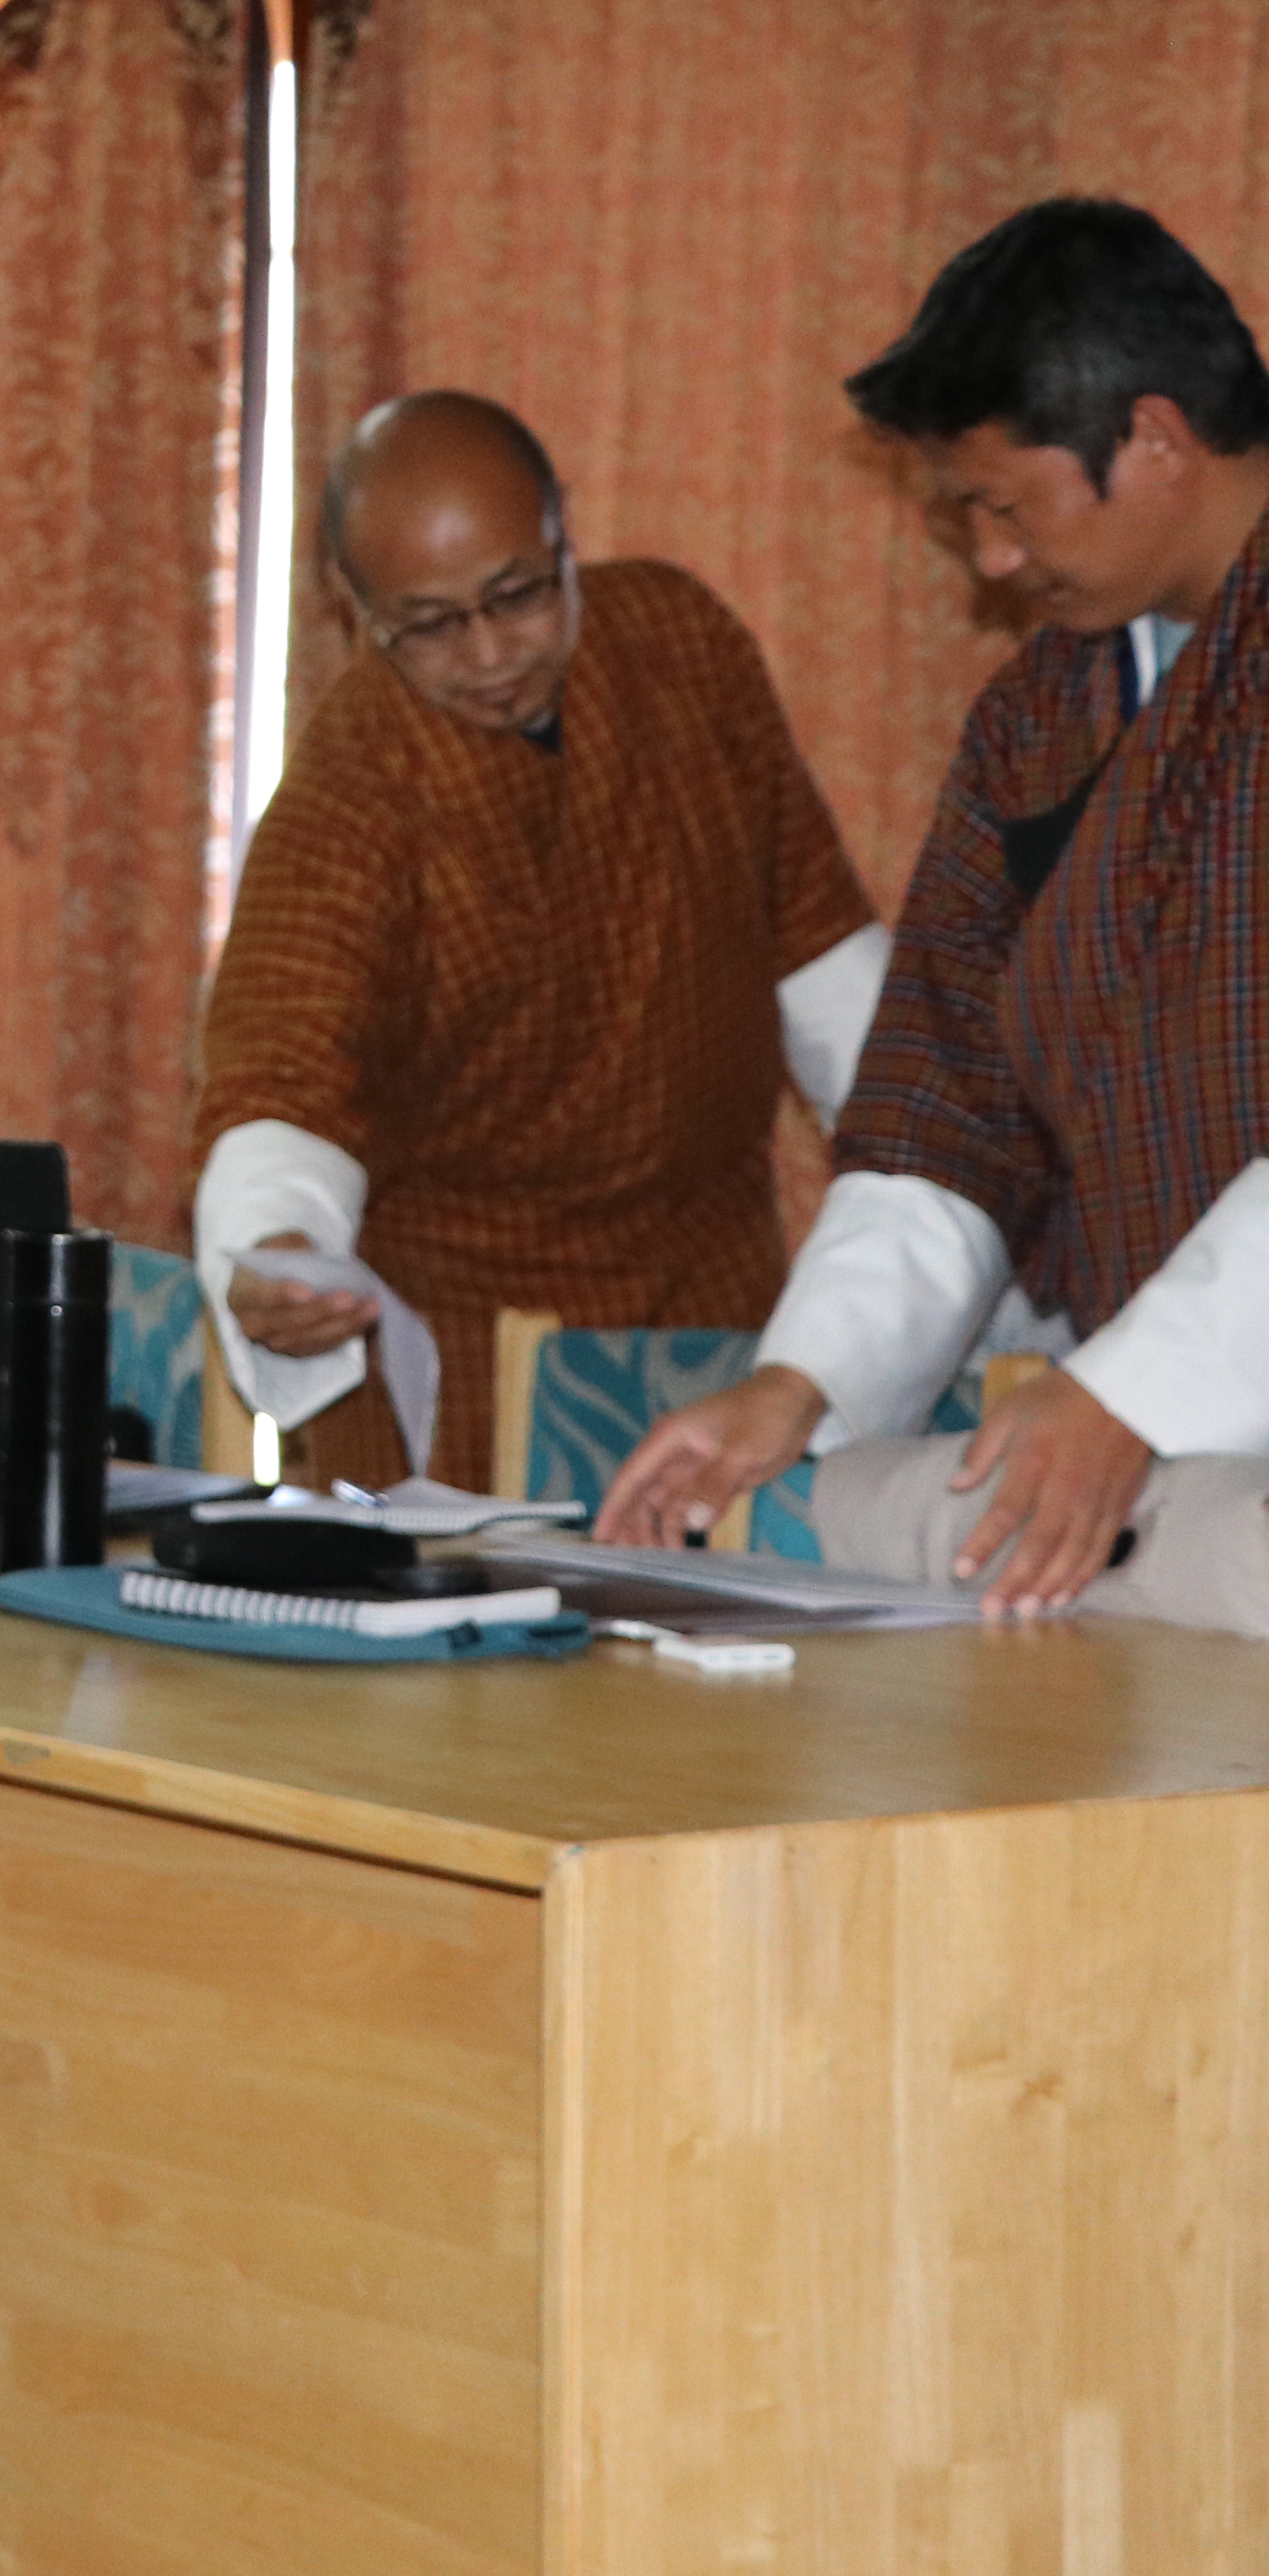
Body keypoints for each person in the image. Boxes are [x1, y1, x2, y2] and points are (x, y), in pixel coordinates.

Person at [603, 200, 1269, 1618]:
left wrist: (1139, 1389)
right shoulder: (1038, 721)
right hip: (1181, 1478)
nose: (993, 561)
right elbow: (947, 1101)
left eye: (1005, 507)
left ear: (1157, 438)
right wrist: (799, 1385)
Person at [192, 391, 886, 1491]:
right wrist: (279, 1251)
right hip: (464, 1354)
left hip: (713, 1310)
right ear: (352, 606)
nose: (488, 655)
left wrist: (938, 1183)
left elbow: (820, 950)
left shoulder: (682, 645)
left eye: (517, 595)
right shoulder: (350, 796)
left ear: (563, 529)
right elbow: (282, 1079)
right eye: (429, 624)